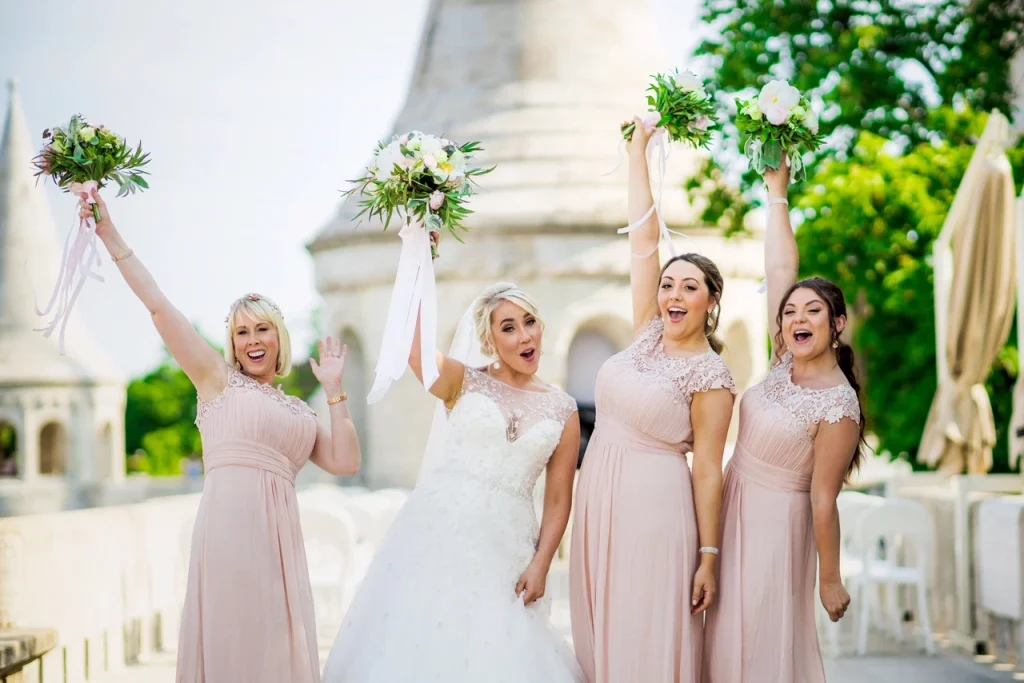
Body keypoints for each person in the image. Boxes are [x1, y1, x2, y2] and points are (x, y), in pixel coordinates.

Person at [81, 189, 362, 683]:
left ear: (279, 337)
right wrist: (109, 232)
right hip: (231, 534)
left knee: (277, 645)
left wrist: (336, 391)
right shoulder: (216, 381)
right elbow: (159, 307)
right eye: (241, 332)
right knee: (235, 639)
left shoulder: (298, 410)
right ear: (232, 342)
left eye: (262, 330)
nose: (252, 341)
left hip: (281, 546)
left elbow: (345, 462)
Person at [321, 271, 584, 682]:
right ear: (488, 341)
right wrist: (422, 261)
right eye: (508, 328)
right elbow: (415, 354)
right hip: (438, 532)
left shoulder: (563, 410)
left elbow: (558, 499)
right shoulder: (463, 381)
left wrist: (542, 564)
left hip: (508, 546)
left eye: (530, 322)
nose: (524, 336)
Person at [568, 117, 737, 683]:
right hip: (599, 497)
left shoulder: (712, 376)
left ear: (711, 302)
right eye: (668, 284)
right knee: (604, 624)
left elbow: (708, 471)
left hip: (657, 509)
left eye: (690, 287)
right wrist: (638, 150)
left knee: (645, 627)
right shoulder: (646, 329)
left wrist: (709, 557)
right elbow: (644, 238)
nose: (673, 294)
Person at [701, 163, 865, 683]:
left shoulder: (839, 406)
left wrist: (830, 579)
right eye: (790, 312)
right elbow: (779, 268)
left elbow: (824, 499)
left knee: (758, 640)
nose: (797, 318)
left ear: (836, 324)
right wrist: (777, 193)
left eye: (812, 311)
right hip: (731, 506)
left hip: (777, 528)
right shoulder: (781, 363)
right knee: (722, 636)